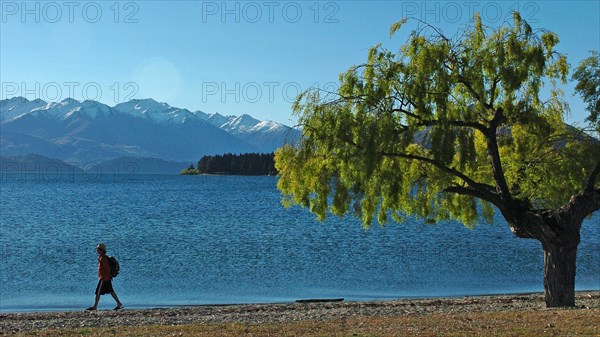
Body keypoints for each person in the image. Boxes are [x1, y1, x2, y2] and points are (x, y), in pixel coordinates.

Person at [86, 243, 123, 311]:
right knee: (111, 291)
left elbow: (107, 268)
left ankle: (95, 306)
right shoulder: (101, 257)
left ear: (102, 250)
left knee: (98, 292)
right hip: (105, 278)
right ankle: (119, 303)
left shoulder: (103, 258)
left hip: (104, 278)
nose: (97, 251)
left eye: (99, 249)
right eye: (97, 249)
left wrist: (109, 276)